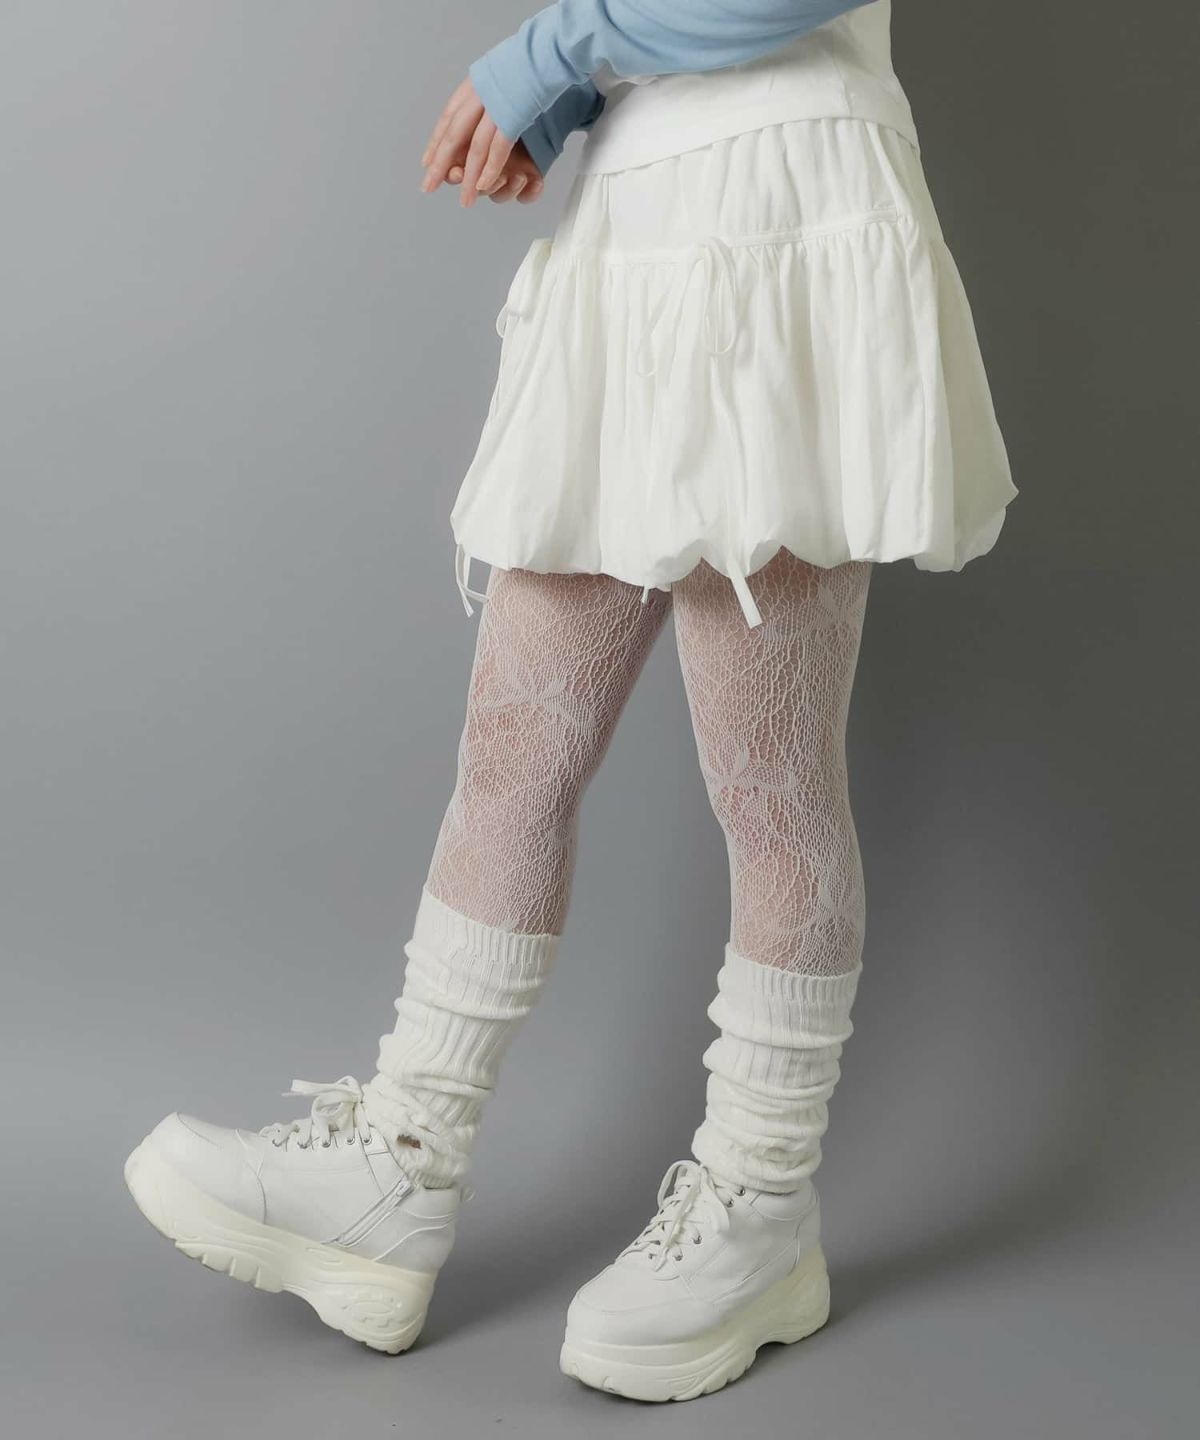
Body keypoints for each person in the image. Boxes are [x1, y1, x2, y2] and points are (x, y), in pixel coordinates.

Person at [125, 0, 1017, 1403]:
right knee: (512, 755)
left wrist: (552, 51)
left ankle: (760, 1206)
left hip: (783, 217)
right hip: (644, 216)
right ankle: (401, 1162)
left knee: (772, 784)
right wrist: (582, 86)